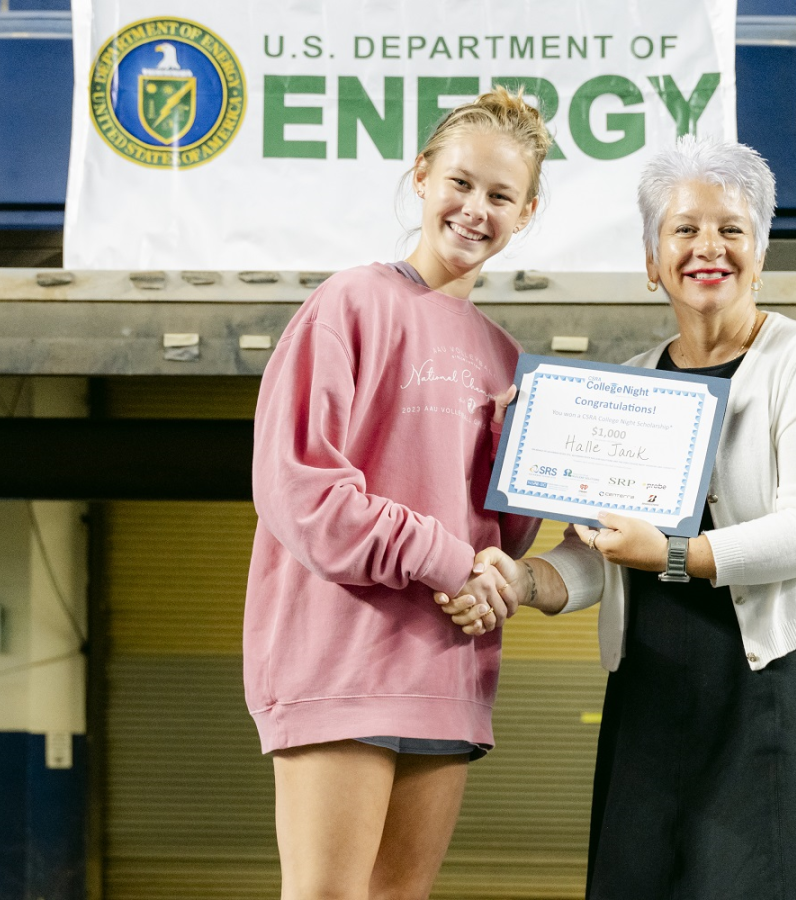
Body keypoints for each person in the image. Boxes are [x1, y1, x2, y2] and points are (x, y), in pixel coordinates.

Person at [438, 136, 796, 899]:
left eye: (731, 229)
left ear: (761, 251)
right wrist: (525, 578)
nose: (709, 247)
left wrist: (678, 555)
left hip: (795, 697)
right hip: (659, 701)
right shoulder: (630, 385)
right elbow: (599, 554)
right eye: (684, 230)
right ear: (650, 259)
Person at [244, 87, 548, 900]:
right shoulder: (348, 303)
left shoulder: (505, 355)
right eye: (460, 182)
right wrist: (453, 561)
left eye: (500, 196)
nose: (475, 209)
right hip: (341, 658)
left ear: (527, 212)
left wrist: (496, 553)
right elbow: (301, 492)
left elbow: (501, 540)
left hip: (447, 669)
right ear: (421, 177)